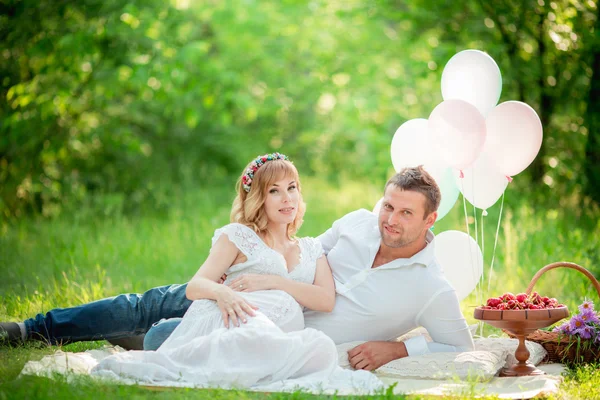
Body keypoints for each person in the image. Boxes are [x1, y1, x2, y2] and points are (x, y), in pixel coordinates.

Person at [2, 164, 474, 372]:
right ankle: (30, 329)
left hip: (271, 332)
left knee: (160, 339)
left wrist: (396, 350)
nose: (389, 220)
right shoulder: (357, 223)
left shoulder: (430, 287)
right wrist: (244, 268)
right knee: (140, 304)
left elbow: (462, 347)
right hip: (236, 294)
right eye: (388, 206)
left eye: (405, 213)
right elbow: (306, 248)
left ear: (430, 219)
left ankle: (136, 340)